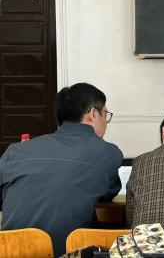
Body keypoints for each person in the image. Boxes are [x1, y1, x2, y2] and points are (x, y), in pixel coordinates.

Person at [0, 83, 122, 257]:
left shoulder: (16, 151)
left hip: (11, 252)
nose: (105, 122)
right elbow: (107, 193)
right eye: (105, 115)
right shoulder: (107, 152)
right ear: (93, 114)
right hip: (68, 252)